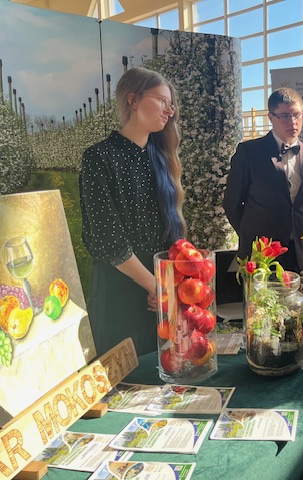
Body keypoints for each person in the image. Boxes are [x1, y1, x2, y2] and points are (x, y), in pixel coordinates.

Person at [80, 66, 186, 356]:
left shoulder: (162, 159)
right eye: (162, 101)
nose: (170, 111)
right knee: (124, 376)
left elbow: (170, 231)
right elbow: (108, 238)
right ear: (133, 99)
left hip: (158, 294)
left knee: (163, 371)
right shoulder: (98, 158)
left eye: (171, 104)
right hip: (119, 294)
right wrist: (156, 285)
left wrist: (168, 284)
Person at [223, 87, 303, 273]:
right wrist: (250, 236)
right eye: (284, 116)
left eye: (297, 115)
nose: (292, 122)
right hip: (259, 252)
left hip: (296, 252)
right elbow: (231, 204)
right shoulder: (249, 152)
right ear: (271, 117)